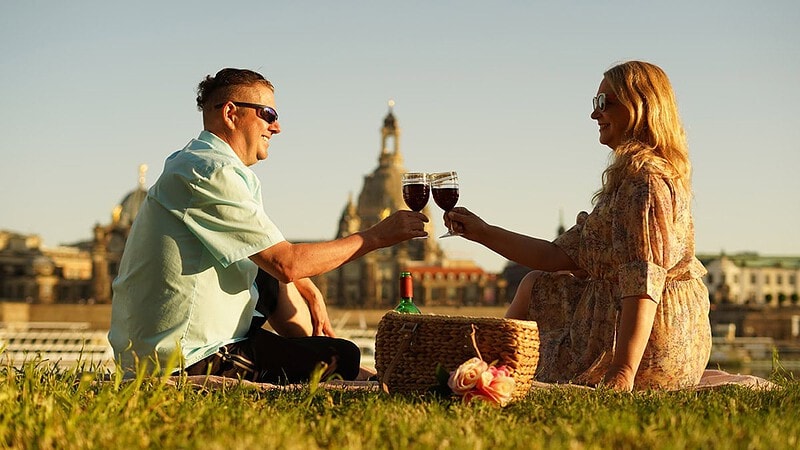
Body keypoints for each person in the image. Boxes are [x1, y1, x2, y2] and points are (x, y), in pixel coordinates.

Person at [108, 68, 428, 383]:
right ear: (231, 113)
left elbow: (271, 261)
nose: (276, 127)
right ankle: (330, 365)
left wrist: (307, 287)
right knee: (341, 355)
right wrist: (377, 236)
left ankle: (318, 355)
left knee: (272, 282)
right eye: (268, 113)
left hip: (168, 345)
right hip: (190, 357)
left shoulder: (197, 162)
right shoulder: (213, 173)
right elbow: (286, 262)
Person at [445, 61, 711, 391]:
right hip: (642, 332)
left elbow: (644, 280)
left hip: (652, 348)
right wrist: (481, 231)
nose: (594, 114)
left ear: (640, 106)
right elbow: (555, 255)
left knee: (534, 309)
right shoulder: (634, 177)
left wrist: (623, 372)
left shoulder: (645, 181)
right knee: (533, 283)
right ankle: (484, 370)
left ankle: (482, 374)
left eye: (604, 103)